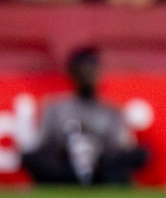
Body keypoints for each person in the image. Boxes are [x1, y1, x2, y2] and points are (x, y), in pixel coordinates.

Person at [20, 47, 147, 186]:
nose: (87, 75)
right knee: (30, 159)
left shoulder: (112, 111)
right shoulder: (55, 108)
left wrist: (97, 149)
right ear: (73, 74)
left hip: (101, 168)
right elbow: (41, 146)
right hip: (65, 167)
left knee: (139, 155)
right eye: (82, 70)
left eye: (91, 69)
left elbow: (123, 148)